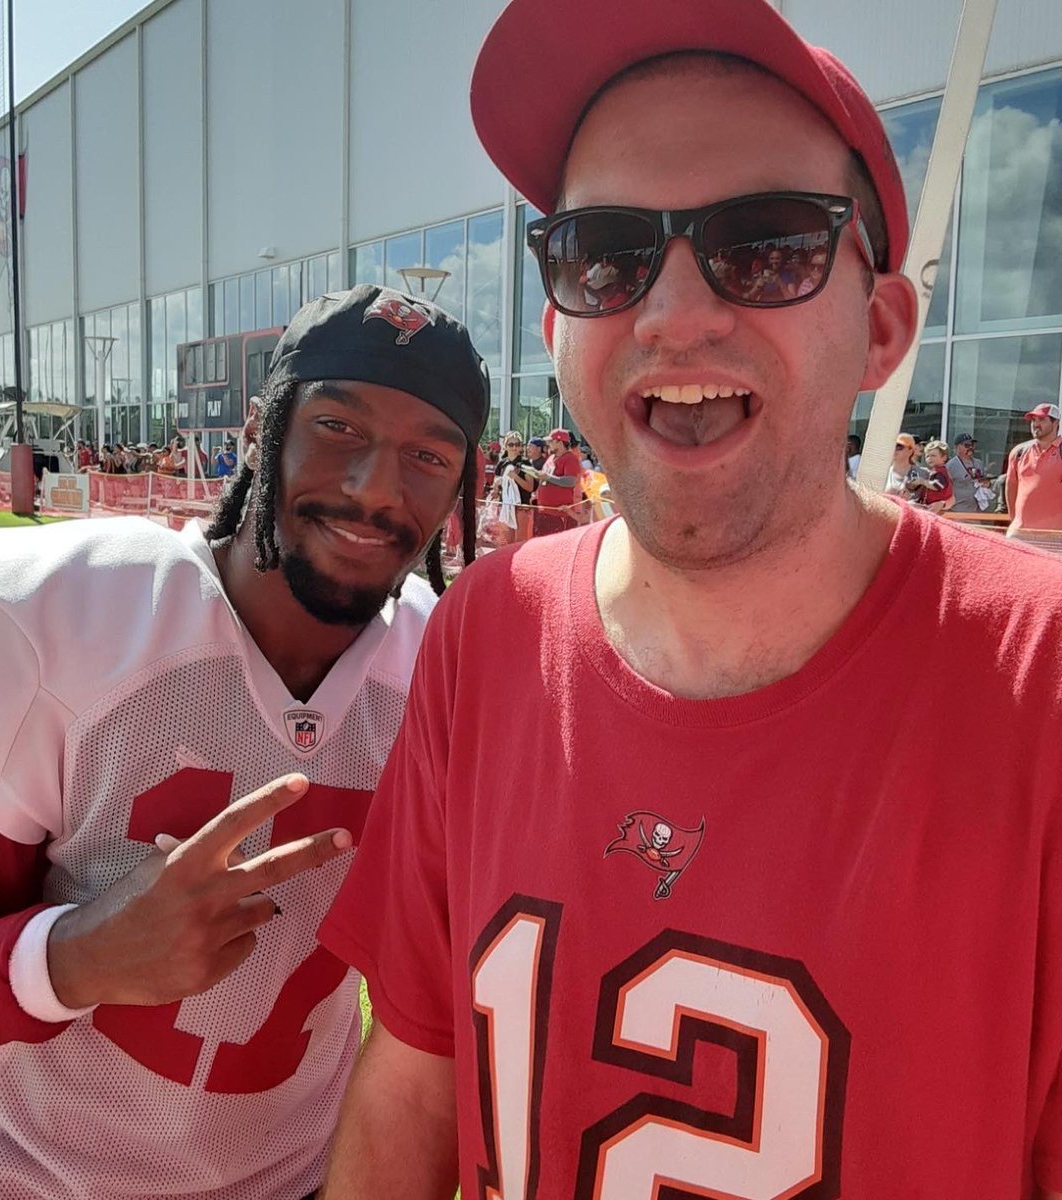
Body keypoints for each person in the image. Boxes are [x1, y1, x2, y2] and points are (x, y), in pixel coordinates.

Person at [318, 4, 1062, 1198]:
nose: (671, 313)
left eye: (767, 244)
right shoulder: (487, 631)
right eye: (604, 253)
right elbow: (416, 1071)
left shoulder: (1038, 681)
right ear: (558, 321)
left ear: (882, 328)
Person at [0, 284, 487, 1200]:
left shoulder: (446, 665)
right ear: (263, 430)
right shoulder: (69, 616)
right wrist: (78, 956)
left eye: (428, 454)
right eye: (339, 428)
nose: (374, 489)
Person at [1006, 402, 1062, 538]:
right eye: (1033, 420)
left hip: (1055, 536)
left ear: (1056, 423)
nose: (1035, 424)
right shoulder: (1019, 452)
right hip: (1020, 533)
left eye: (1042, 419)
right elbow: (1011, 488)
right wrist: (1015, 522)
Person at [529, 427, 583, 534]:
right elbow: (547, 478)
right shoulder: (551, 458)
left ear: (559, 442)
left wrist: (548, 477)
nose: (548, 444)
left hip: (559, 513)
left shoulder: (570, 458)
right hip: (544, 511)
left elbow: (570, 481)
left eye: (551, 441)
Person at [945, 432, 994, 514]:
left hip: (977, 510)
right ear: (957, 447)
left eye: (972, 445)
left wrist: (987, 484)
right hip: (957, 511)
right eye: (967, 445)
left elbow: (985, 483)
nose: (970, 447)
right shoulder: (950, 466)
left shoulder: (979, 463)